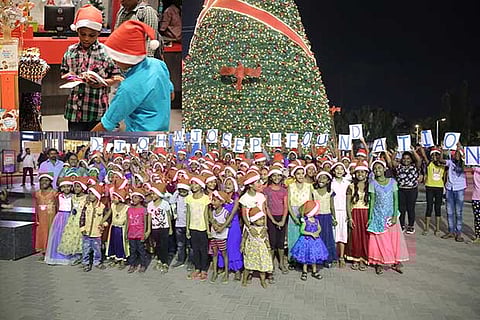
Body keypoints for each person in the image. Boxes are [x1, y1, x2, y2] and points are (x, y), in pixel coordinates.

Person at [91, 21, 174, 132]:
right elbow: (171, 95)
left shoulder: (128, 87)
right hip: (163, 131)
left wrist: (86, 141)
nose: (113, 61)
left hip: (139, 136)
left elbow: (107, 124)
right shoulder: (158, 64)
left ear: (126, 57)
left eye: (115, 57)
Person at [60, 4, 122, 131]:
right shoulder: (71, 51)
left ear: (99, 32)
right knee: (76, 139)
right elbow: (64, 73)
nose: (86, 38)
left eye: (92, 35)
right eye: (83, 34)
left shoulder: (106, 52)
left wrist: (102, 83)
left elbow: (117, 77)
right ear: (77, 31)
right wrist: (76, 78)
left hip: (97, 108)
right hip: (75, 110)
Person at [367, 160, 409, 275]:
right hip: (378, 215)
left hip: (390, 216)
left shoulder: (392, 182)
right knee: (379, 240)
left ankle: (395, 262)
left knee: (394, 239)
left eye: (379, 168)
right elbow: (372, 201)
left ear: (384, 169)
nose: (377, 170)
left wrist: (395, 215)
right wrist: (370, 218)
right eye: (375, 169)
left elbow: (396, 199)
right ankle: (379, 263)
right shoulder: (372, 184)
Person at [290, 200, 328, 281]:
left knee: (314, 256)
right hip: (306, 241)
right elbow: (302, 231)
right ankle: (304, 271)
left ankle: (314, 271)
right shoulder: (305, 221)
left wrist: (317, 232)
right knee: (305, 257)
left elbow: (319, 228)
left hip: (315, 241)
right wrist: (311, 234)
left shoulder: (316, 220)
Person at [263, 168, 289, 276]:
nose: (276, 178)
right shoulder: (267, 190)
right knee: (272, 242)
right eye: (274, 176)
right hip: (271, 218)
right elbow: (266, 206)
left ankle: (281, 263)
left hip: (281, 217)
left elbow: (286, 206)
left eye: (278, 176)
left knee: (281, 242)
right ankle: (271, 264)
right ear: (270, 177)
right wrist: (273, 220)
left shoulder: (284, 190)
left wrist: (282, 220)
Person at [287, 165, 313, 269]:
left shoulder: (309, 186)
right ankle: (293, 259)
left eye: (302, 173)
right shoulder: (291, 186)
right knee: (293, 237)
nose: (300, 176)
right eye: (298, 173)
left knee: (304, 237)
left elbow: (310, 202)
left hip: (305, 212)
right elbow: (288, 203)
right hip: (293, 212)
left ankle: (304, 260)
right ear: (294, 175)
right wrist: (293, 217)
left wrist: (306, 215)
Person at [217, 176, 243, 281]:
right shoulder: (220, 196)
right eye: (226, 183)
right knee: (224, 245)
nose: (227, 186)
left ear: (234, 186)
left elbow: (233, 213)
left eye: (230, 184)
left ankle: (237, 269)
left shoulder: (236, 197)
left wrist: (225, 225)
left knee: (234, 246)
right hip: (222, 223)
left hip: (233, 224)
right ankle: (222, 265)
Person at [57, 177, 88, 265]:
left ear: (83, 188)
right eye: (74, 187)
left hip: (81, 220)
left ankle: (81, 255)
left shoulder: (86, 198)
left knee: (80, 238)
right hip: (73, 220)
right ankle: (75, 255)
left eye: (78, 187)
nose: (76, 189)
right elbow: (72, 208)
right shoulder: (73, 197)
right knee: (72, 237)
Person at [390, 148, 422, 234]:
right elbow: (392, 160)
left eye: (408, 158)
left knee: (410, 208)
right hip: (401, 190)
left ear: (411, 159)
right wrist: (396, 151)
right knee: (401, 209)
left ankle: (411, 226)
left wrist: (413, 151)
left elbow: (419, 160)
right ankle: (402, 224)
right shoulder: (399, 166)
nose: (406, 160)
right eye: (404, 158)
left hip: (412, 190)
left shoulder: (415, 166)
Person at [240, 207, 273, 288]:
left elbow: (266, 239)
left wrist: (269, 248)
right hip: (252, 250)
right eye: (260, 219)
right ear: (254, 220)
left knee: (262, 268)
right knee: (248, 266)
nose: (262, 221)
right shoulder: (248, 229)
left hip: (262, 250)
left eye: (263, 219)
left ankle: (263, 281)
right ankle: (244, 279)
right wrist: (242, 245)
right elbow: (244, 237)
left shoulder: (263, 229)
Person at [345, 162, 370, 271]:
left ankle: (363, 259)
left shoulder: (370, 185)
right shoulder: (351, 186)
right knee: (355, 236)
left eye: (363, 172)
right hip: (355, 213)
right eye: (358, 172)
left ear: (366, 173)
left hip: (366, 213)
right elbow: (348, 203)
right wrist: (350, 217)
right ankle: (355, 258)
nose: (360, 174)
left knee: (365, 236)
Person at [44, 177, 74, 265]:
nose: (66, 188)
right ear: (60, 188)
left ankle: (67, 256)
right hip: (60, 217)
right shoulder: (58, 196)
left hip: (69, 216)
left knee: (67, 236)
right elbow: (56, 206)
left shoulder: (73, 197)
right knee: (57, 236)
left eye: (68, 186)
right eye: (64, 187)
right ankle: (55, 256)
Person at [185, 175, 210, 281]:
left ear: (201, 186)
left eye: (196, 184)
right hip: (192, 227)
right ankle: (197, 268)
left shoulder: (206, 198)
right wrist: (187, 228)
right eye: (192, 183)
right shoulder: (189, 198)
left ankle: (204, 269)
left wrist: (208, 229)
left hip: (202, 227)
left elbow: (206, 214)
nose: (194, 186)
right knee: (195, 249)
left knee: (203, 249)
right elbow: (188, 214)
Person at [80, 183, 108, 272]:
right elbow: (82, 218)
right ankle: (85, 263)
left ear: (97, 195)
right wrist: (82, 228)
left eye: (92, 194)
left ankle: (97, 262)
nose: (90, 196)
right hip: (86, 232)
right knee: (85, 249)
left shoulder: (102, 207)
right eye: (89, 193)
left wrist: (103, 225)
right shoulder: (86, 205)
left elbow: (107, 219)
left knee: (97, 249)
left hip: (97, 233)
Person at [312, 171, 337, 267]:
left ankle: (327, 258)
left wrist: (334, 218)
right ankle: (318, 259)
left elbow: (332, 206)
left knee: (327, 237)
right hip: (317, 217)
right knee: (318, 237)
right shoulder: (314, 192)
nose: (321, 180)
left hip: (327, 217)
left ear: (328, 181)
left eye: (324, 178)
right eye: (320, 177)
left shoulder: (330, 192)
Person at [442, 146, 467, 242]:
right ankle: (451, 231)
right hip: (449, 188)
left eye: (458, 154)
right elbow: (441, 160)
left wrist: (460, 150)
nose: (456, 155)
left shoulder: (464, 163)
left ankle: (458, 233)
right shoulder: (450, 162)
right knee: (449, 212)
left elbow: (464, 166)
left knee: (458, 212)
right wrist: (442, 150)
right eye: (455, 154)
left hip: (459, 189)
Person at [419, 147, 446, 236]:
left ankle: (437, 229)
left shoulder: (443, 165)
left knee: (437, 208)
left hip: (439, 187)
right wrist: (421, 147)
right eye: (432, 155)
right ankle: (426, 228)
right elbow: (423, 155)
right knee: (429, 207)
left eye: (436, 155)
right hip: (430, 187)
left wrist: (441, 151)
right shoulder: (429, 164)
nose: (434, 157)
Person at [148, 182, 173, 273]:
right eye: (151, 193)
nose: (152, 195)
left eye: (154, 193)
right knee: (157, 245)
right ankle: (159, 259)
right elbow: (149, 217)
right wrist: (148, 229)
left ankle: (165, 262)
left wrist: (170, 228)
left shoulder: (165, 204)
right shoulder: (150, 204)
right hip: (155, 228)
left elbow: (168, 216)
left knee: (164, 245)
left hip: (164, 227)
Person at [330, 162, 351, 268]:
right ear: (333, 171)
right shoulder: (331, 183)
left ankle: (341, 257)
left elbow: (349, 200)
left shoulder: (347, 183)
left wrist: (348, 214)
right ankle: (334, 256)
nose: (339, 171)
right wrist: (332, 214)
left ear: (344, 171)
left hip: (344, 212)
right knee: (334, 235)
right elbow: (330, 200)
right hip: (334, 212)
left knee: (343, 235)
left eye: (341, 169)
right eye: (337, 169)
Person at [126, 187, 151, 273]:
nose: (133, 199)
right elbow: (128, 222)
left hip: (139, 234)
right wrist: (126, 233)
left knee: (141, 250)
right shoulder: (129, 209)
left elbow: (144, 223)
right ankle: (132, 265)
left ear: (140, 199)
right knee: (132, 250)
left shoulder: (143, 210)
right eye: (133, 197)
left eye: (136, 197)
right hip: (131, 234)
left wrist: (144, 234)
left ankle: (143, 265)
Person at [208, 190, 231, 284]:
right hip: (214, 236)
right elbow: (210, 220)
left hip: (222, 237)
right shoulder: (212, 212)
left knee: (224, 254)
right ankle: (215, 271)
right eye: (212, 200)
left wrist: (220, 225)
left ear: (221, 202)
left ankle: (226, 273)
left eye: (215, 200)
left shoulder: (225, 212)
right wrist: (213, 223)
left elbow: (229, 225)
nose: (213, 202)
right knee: (214, 254)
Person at [33, 173, 57, 257]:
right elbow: (36, 206)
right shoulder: (37, 193)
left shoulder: (54, 193)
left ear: (50, 181)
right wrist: (37, 218)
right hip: (41, 216)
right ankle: (43, 251)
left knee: (50, 232)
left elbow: (57, 205)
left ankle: (50, 251)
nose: (44, 182)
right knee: (42, 232)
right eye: (42, 180)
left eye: (46, 180)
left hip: (51, 217)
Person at [105, 187, 130, 269]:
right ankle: (116, 259)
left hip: (121, 229)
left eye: (115, 197)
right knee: (114, 244)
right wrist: (101, 222)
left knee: (121, 245)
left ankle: (123, 260)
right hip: (113, 228)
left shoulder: (126, 208)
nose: (113, 199)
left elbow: (128, 221)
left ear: (120, 198)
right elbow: (108, 215)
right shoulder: (113, 206)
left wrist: (126, 232)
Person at [169, 178, 192, 268]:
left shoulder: (189, 197)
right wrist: (176, 192)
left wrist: (188, 191)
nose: (182, 192)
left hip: (188, 224)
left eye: (184, 190)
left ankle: (190, 261)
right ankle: (181, 260)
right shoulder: (178, 197)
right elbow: (171, 201)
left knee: (190, 245)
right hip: (179, 224)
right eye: (180, 191)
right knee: (180, 244)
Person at [472, 167, 480, 244]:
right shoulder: (474, 169)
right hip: (476, 197)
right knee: (477, 219)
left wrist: (475, 168)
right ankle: (478, 236)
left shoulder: (475, 169)